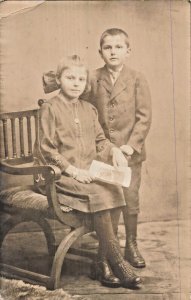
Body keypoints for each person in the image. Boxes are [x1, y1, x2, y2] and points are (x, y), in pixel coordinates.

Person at [33, 55, 141, 288]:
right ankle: (116, 261)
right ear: (59, 79)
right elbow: (46, 149)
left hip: (87, 174)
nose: (76, 83)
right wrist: (71, 170)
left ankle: (101, 262)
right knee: (101, 195)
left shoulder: (88, 109)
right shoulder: (50, 108)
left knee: (115, 190)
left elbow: (100, 141)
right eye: (70, 77)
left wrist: (113, 151)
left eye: (81, 79)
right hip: (58, 176)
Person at [85, 28, 152, 268]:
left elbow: (144, 117)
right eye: (108, 47)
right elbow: (85, 112)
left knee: (130, 199)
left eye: (118, 47)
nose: (113, 52)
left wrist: (130, 147)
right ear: (100, 52)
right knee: (109, 199)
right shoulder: (92, 78)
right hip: (103, 152)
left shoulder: (137, 78)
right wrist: (106, 147)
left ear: (128, 51)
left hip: (130, 155)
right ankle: (109, 248)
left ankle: (131, 244)